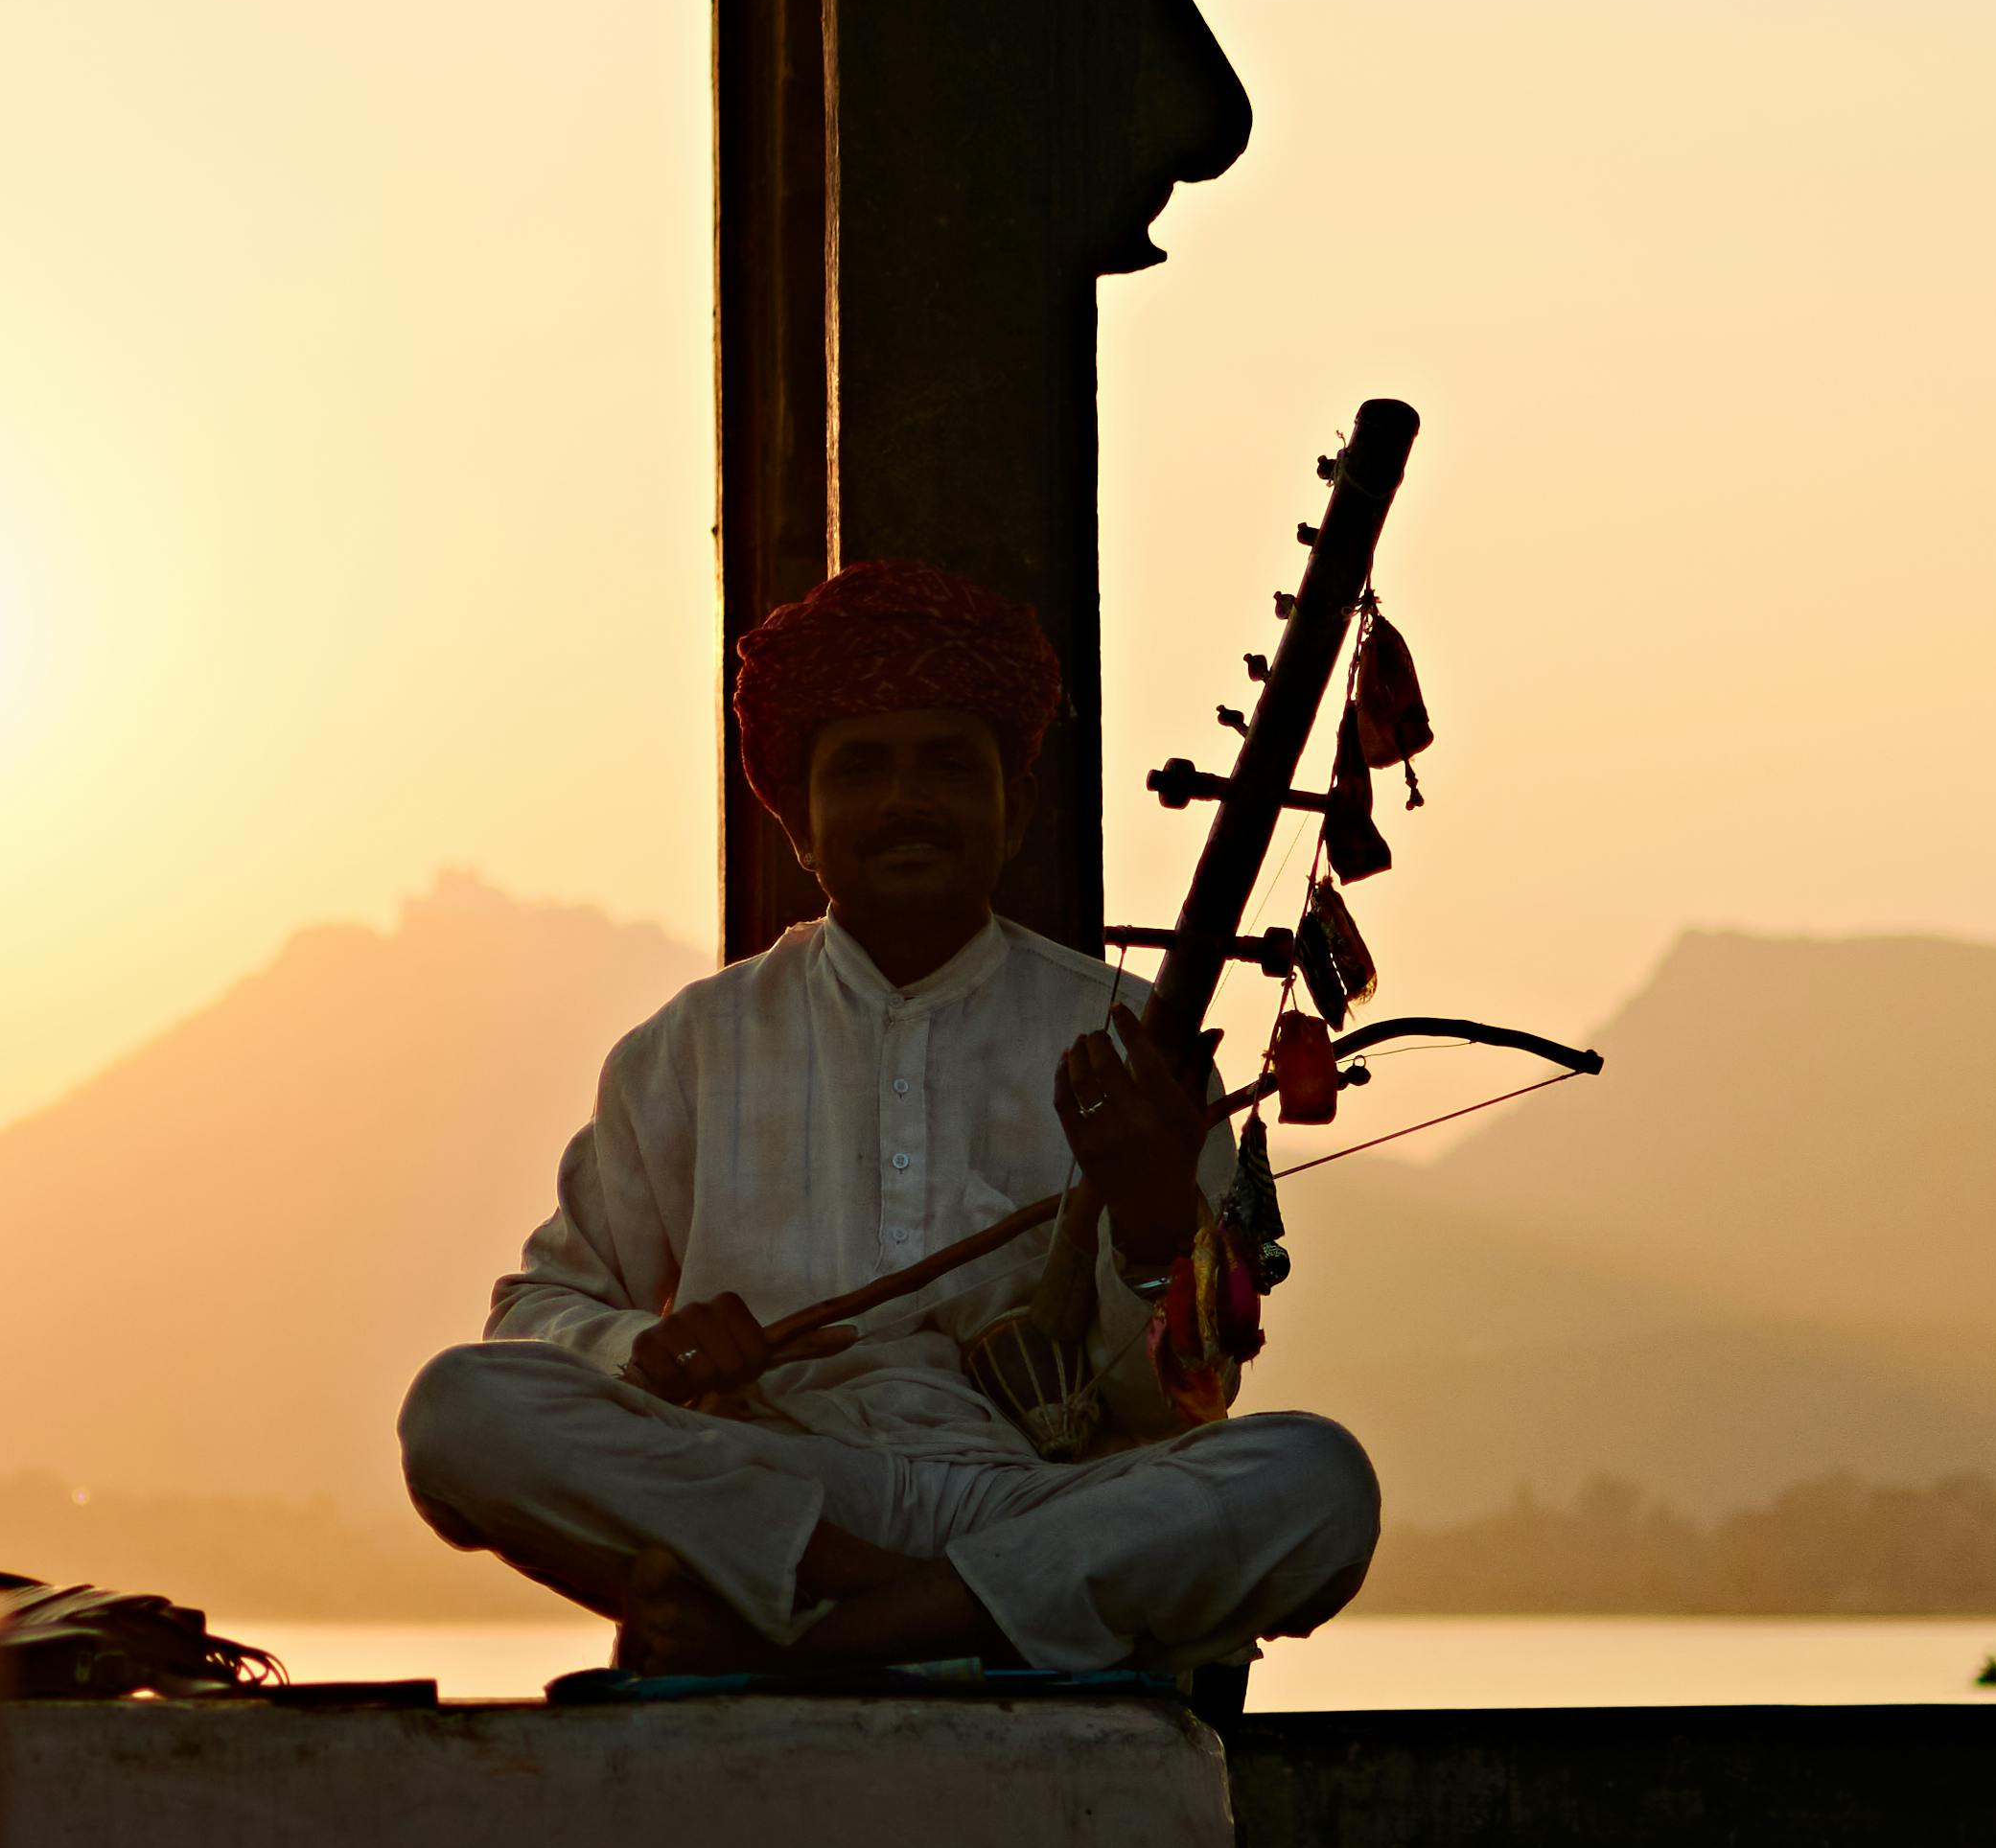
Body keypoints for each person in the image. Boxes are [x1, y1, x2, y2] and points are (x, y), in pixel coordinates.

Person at [398, 557, 1381, 1678]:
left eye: (948, 767)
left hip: (1037, 1496)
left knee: (1315, 1478)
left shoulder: (1136, 1045)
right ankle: (922, 1615)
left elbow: (1175, 1413)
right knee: (458, 1408)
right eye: (861, 769)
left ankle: (810, 1645)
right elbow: (537, 1310)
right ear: (799, 826)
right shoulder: (691, 1045)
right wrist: (642, 1345)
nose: (906, 801)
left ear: (1011, 812)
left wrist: (1156, 1229)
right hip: (783, 1488)